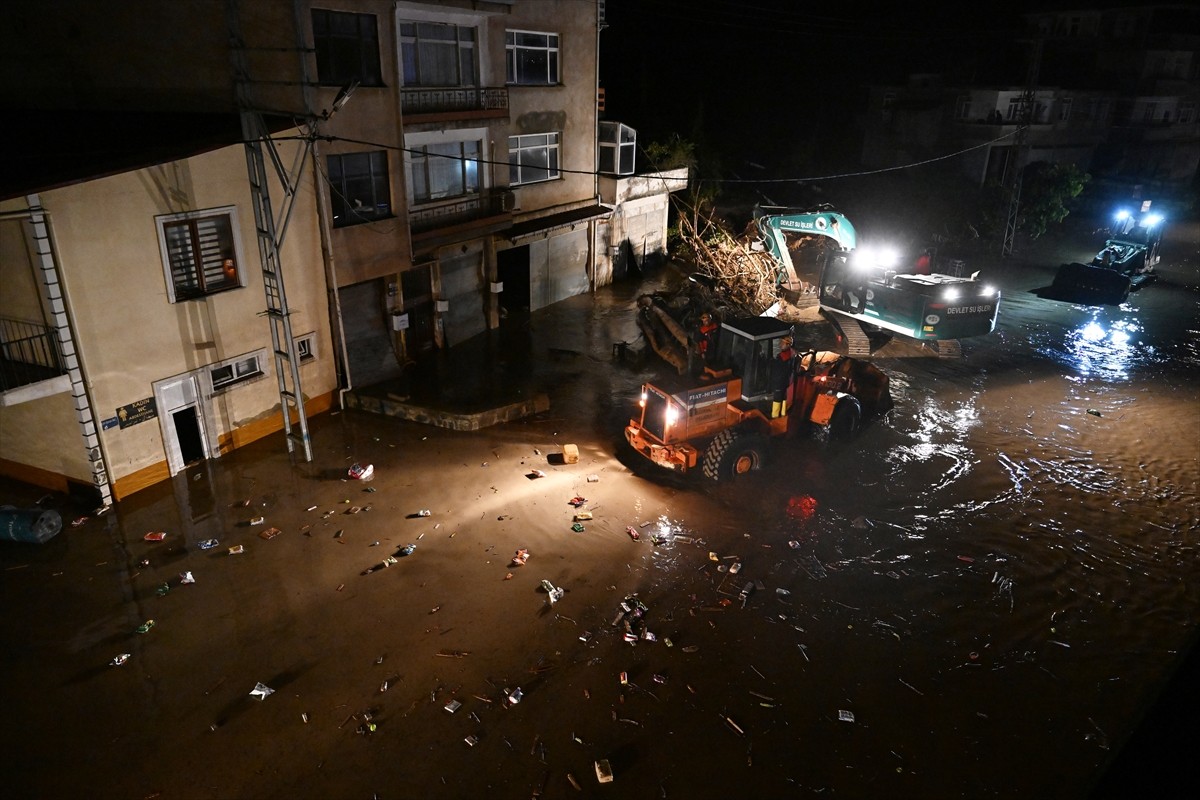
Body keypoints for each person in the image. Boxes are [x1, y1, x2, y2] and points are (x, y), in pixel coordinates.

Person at [771, 336, 795, 418]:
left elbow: (777, 369)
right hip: (786, 381)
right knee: (784, 398)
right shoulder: (792, 354)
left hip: (780, 381)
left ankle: (774, 416)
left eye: (783, 343)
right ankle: (783, 415)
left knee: (777, 399)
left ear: (788, 345)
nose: (780, 344)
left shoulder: (782, 357)